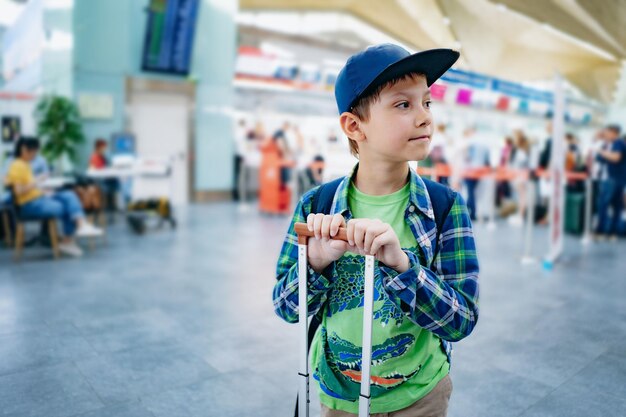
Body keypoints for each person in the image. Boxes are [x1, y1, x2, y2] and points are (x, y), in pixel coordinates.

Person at [273, 44, 479, 417]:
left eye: (427, 103)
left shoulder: (446, 207)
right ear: (354, 126)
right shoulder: (315, 206)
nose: (425, 118)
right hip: (339, 398)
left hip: (422, 396)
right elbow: (286, 307)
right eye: (404, 105)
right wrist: (315, 261)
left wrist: (403, 267)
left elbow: (461, 320)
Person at [4, 138, 103, 257]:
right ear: (24, 149)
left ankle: (80, 225)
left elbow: (28, 187)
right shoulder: (17, 165)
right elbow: (19, 191)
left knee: (68, 195)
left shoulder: (25, 164)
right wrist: (37, 180)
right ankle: (69, 239)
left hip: (38, 198)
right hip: (28, 206)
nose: (35, 155)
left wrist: (42, 191)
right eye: (33, 152)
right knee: (65, 206)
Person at [594, 125, 626, 240]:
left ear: (614, 132)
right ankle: (611, 232)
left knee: (605, 204)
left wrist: (602, 152)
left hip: (614, 179)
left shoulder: (619, 143)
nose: (605, 134)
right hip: (609, 178)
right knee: (613, 206)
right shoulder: (607, 145)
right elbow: (599, 159)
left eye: (607, 132)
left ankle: (601, 231)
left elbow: (616, 157)